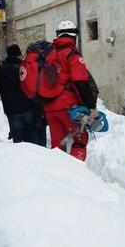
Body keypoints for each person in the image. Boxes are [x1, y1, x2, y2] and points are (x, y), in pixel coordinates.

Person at [43, 20, 98, 161]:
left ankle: (58, 177)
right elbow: (81, 82)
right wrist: (91, 106)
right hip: (68, 107)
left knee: (57, 145)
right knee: (80, 140)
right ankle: (77, 173)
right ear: (74, 37)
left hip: (49, 107)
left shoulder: (49, 54)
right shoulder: (72, 54)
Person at [0, 44, 46, 146]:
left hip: (11, 109)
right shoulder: (23, 68)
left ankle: (19, 158)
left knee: (17, 138)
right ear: (19, 55)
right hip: (27, 107)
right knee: (29, 136)